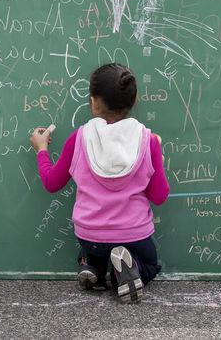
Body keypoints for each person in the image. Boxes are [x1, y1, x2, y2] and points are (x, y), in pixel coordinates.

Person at [29, 63, 169, 303]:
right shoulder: (148, 141)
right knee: (150, 264)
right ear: (134, 101)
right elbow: (159, 196)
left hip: (90, 235)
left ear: (93, 102)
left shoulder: (79, 138)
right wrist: (158, 160)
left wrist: (41, 150)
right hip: (133, 235)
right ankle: (124, 272)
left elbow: (52, 183)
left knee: (94, 246)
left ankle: (91, 266)